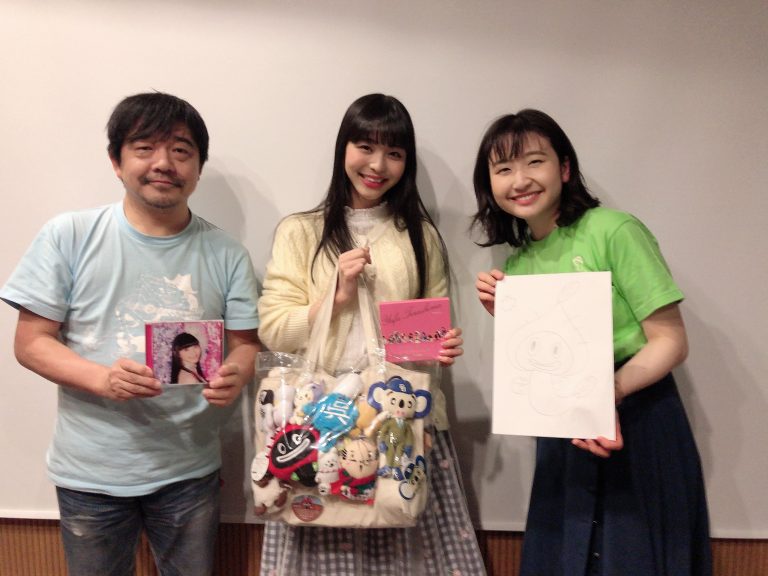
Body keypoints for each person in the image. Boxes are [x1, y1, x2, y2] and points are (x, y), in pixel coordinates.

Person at [0, 92, 261, 576]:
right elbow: (31, 343)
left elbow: (246, 344)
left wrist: (236, 375)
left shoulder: (226, 253)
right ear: (116, 162)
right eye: (144, 148)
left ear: (198, 167)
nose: (163, 163)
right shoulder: (68, 235)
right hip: (90, 473)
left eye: (180, 150)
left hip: (190, 471)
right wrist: (102, 380)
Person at [472, 109, 711, 575]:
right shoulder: (517, 265)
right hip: (565, 429)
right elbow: (549, 360)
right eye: (503, 169)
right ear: (490, 185)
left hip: (640, 417)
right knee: (565, 558)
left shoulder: (614, 230)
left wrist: (607, 396)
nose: (520, 180)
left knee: (635, 557)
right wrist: (511, 315)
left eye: (534, 162)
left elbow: (671, 341)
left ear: (564, 168)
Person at [257, 93, 486, 575]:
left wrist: (442, 350)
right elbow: (274, 330)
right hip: (319, 423)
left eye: (394, 153)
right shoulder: (300, 231)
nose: (378, 165)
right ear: (344, 148)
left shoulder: (420, 235)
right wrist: (334, 299)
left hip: (397, 426)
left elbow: (429, 337)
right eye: (365, 147)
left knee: (410, 551)